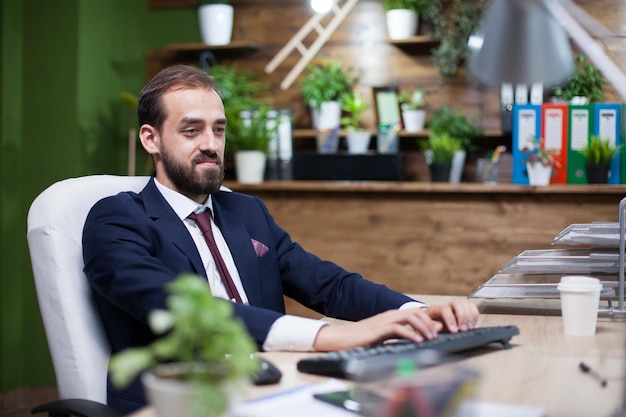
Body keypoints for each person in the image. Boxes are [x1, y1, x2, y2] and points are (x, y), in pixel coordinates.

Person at [82, 64, 480, 413]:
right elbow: (180, 311)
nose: (210, 144)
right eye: (191, 130)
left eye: (218, 130)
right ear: (150, 139)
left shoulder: (245, 210)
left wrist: (414, 311)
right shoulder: (116, 219)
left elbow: (328, 284)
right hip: (182, 402)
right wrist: (330, 336)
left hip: (278, 386)